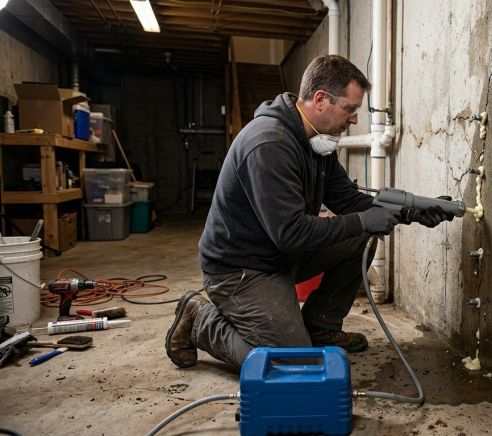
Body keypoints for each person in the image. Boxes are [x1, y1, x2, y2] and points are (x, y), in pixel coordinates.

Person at [165, 55, 454, 369]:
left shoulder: (316, 142)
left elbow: (348, 201)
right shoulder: (268, 144)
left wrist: (410, 212)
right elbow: (290, 233)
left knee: (360, 237)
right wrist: (362, 221)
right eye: (351, 108)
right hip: (241, 270)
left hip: (278, 257)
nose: (354, 119)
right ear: (321, 100)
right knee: (292, 364)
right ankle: (199, 320)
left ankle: (322, 329)